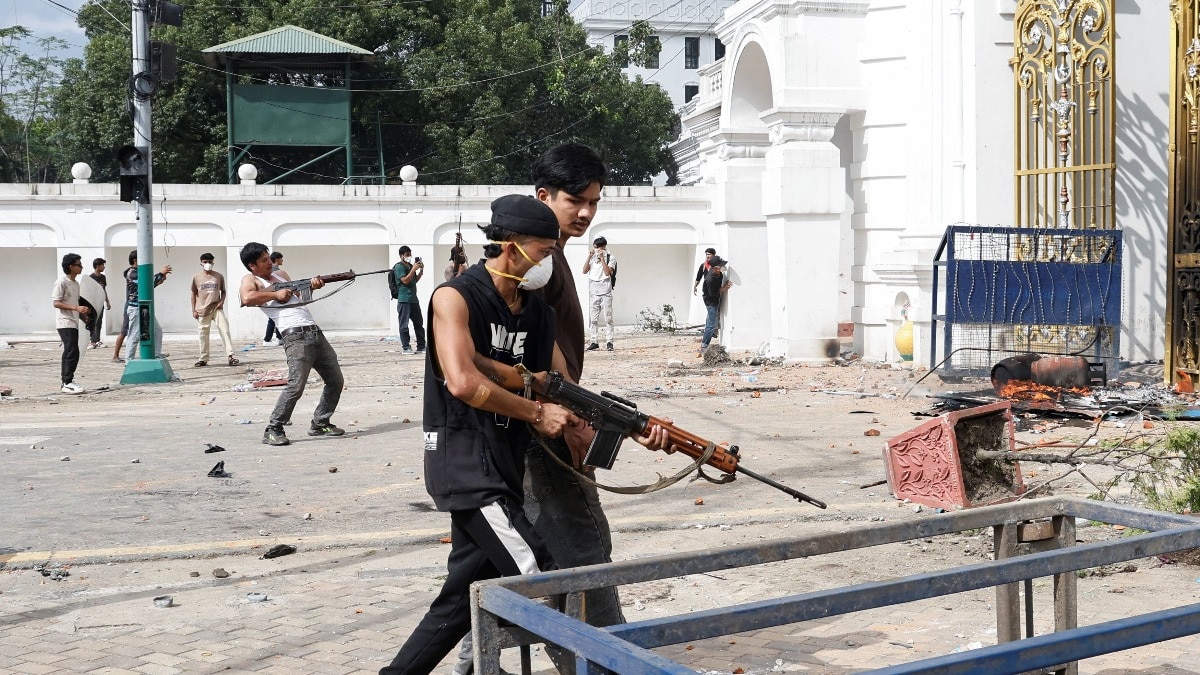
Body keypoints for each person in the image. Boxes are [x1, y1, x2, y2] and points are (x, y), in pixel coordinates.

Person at [379, 195, 584, 675]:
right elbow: (464, 382)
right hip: (465, 462)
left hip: (505, 461)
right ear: (510, 247)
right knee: (540, 577)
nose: (549, 261)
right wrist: (536, 412)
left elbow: (563, 385)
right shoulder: (455, 297)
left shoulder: (538, 314)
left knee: (457, 605)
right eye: (545, 250)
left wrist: (620, 427)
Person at [239, 242, 345, 446]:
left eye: (268, 257)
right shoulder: (251, 279)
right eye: (263, 260)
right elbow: (246, 298)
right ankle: (273, 428)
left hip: (314, 332)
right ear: (252, 265)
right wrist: (274, 295)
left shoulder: (282, 275)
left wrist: (311, 287)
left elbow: (297, 301)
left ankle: (320, 422)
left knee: (335, 380)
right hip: (294, 337)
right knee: (296, 385)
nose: (269, 262)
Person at [120, 250, 171, 362]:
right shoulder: (132, 273)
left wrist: (160, 279)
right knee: (134, 335)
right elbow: (146, 282)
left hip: (144, 307)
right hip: (135, 308)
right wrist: (160, 274)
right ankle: (129, 360)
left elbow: (149, 285)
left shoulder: (138, 272)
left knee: (157, 331)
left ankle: (157, 354)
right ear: (135, 260)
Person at [190, 252, 239, 367]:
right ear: (201, 263)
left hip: (216, 308)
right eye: (205, 262)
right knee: (203, 334)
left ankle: (230, 356)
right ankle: (203, 358)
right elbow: (193, 293)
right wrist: (193, 310)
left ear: (213, 262)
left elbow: (224, 291)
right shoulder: (196, 277)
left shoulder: (218, 276)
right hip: (202, 310)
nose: (208, 264)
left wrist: (221, 302)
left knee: (225, 330)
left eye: (210, 262)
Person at [52, 253, 90, 394]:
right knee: (71, 350)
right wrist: (76, 308)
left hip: (73, 321)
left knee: (74, 351)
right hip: (64, 322)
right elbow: (56, 303)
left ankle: (69, 380)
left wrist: (83, 316)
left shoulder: (75, 284)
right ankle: (66, 382)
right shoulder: (61, 282)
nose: (81, 267)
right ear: (71, 267)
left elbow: (75, 303)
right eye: (79, 265)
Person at [389, 245, 426, 355]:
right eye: (407, 255)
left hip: (414, 299)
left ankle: (421, 346)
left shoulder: (411, 266)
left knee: (419, 324)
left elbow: (414, 280)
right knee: (404, 325)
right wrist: (413, 269)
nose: (409, 257)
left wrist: (420, 271)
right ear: (401, 256)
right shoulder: (399, 267)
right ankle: (406, 347)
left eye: (410, 254)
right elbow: (405, 280)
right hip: (404, 299)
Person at [581, 235, 616, 351]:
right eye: (595, 248)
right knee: (594, 318)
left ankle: (609, 342)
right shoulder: (592, 257)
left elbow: (607, 273)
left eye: (598, 248)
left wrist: (602, 259)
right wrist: (589, 256)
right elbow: (584, 271)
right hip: (594, 290)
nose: (597, 250)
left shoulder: (611, 258)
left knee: (608, 318)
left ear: (604, 247)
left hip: (605, 290)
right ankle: (594, 341)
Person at [699, 255, 733, 356]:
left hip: (714, 300)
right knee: (711, 325)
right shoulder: (710, 279)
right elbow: (712, 293)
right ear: (715, 268)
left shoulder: (720, 274)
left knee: (710, 322)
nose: (723, 267)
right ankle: (703, 347)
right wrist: (725, 288)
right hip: (710, 301)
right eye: (720, 266)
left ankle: (703, 346)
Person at [87, 258, 110, 349]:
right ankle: (92, 341)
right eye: (102, 265)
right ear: (97, 266)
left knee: (99, 322)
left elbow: (104, 290)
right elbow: (88, 292)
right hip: (93, 304)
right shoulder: (91, 278)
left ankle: (97, 340)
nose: (104, 267)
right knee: (93, 322)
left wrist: (107, 301)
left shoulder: (103, 277)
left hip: (101, 303)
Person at [262, 251, 284, 346]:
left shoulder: (275, 270)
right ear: (277, 259)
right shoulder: (274, 271)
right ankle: (267, 340)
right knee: (272, 319)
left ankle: (279, 338)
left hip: (275, 296)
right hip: (274, 296)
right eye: (281, 258)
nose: (282, 260)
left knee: (278, 317)